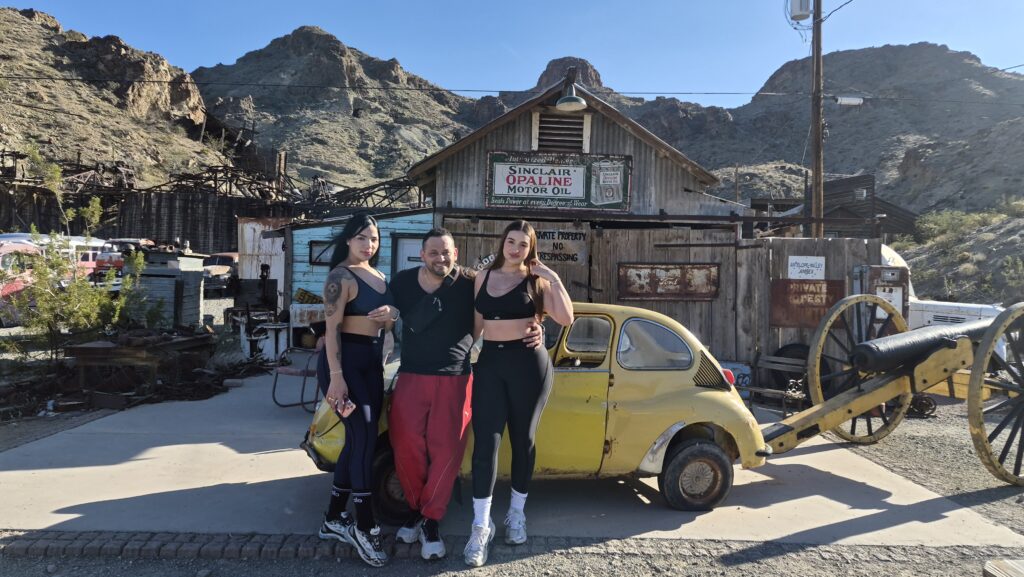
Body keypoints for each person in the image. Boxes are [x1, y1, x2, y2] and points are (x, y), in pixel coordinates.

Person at [388, 228, 542, 560]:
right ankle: (418, 508)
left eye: (446, 252)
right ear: (421, 254)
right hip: (411, 374)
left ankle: (430, 520)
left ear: (455, 254)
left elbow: (510, 303)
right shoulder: (400, 282)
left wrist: (537, 324)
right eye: (433, 252)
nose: (440, 258)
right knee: (406, 446)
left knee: (446, 452)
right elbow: (384, 315)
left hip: (455, 375)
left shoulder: (473, 280)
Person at [464, 220, 574, 567]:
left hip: (529, 364)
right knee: (486, 443)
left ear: (531, 248)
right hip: (491, 365)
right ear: (502, 243)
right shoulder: (482, 276)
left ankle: (516, 515)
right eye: (510, 241)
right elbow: (474, 327)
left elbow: (566, 317)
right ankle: (481, 526)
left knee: (523, 439)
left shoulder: (537, 281)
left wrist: (552, 276)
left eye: (522, 244)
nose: (515, 249)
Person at [315, 212, 399, 568]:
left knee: (358, 438)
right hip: (343, 365)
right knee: (364, 437)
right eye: (362, 237)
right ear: (348, 240)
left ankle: (334, 517)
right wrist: (336, 377)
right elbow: (331, 331)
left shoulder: (380, 276)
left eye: (375, 238)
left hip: (369, 364)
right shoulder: (340, 277)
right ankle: (364, 524)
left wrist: (392, 314)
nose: (369, 244)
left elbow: (389, 319)